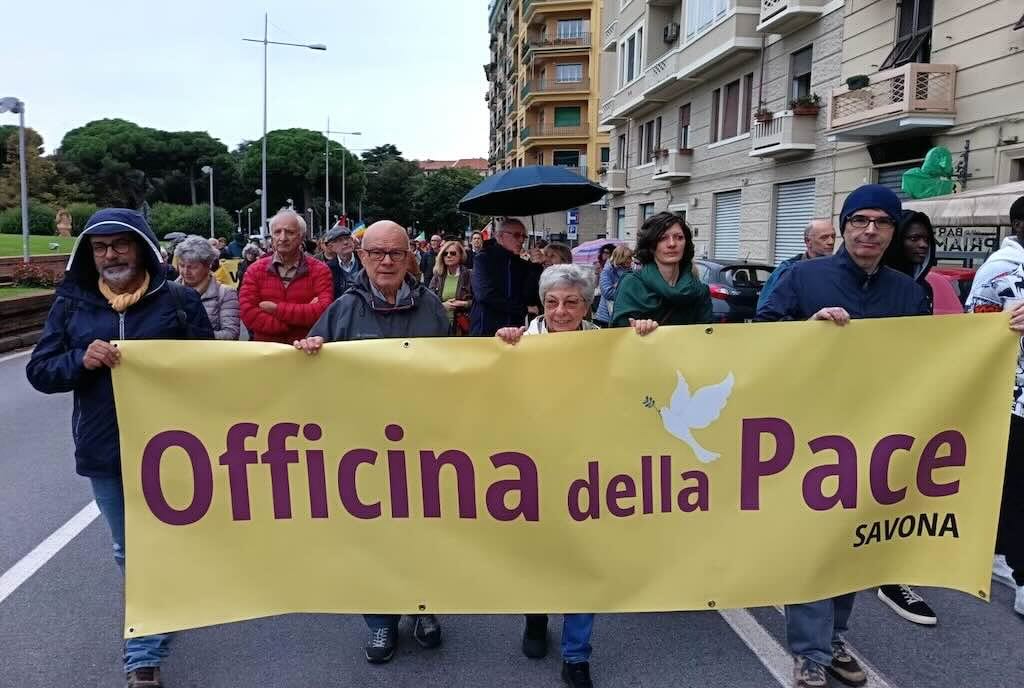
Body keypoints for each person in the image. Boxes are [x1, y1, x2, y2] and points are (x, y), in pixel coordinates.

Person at [26, 208, 213, 688]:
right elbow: (40, 371)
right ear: (89, 254)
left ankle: (159, 617)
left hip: (174, 451)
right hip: (105, 450)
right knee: (131, 549)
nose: (109, 255)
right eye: (99, 247)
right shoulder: (71, 306)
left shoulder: (177, 302)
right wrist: (79, 359)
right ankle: (143, 655)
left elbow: (212, 371)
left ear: (141, 246)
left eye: (119, 245)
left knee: (169, 543)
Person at [757, 184, 931, 688]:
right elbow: (759, 332)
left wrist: (999, 331)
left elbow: (937, 356)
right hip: (808, 438)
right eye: (860, 220)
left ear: (893, 231)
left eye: (881, 222)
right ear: (845, 225)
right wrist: (806, 328)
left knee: (854, 543)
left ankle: (834, 638)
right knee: (813, 545)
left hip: (875, 440)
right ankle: (810, 651)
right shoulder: (804, 276)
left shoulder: (907, 291)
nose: (869, 230)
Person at [496, 263, 658, 688]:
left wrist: (643, 337)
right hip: (530, 469)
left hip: (588, 470)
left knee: (584, 559)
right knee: (536, 554)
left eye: (571, 302)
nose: (561, 311)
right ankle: (536, 617)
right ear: (541, 305)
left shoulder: (608, 343)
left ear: (588, 305)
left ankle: (576, 655)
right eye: (552, 302)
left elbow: (641, 382)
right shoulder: (516, 344)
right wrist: (501, 349)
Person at [293, 221, 448, 663]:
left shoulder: (433, 309)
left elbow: (457, 370)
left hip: (422, 445)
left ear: (408, 258)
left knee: (424, 531)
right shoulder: (343, 310)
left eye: (395, 253)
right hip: (361, 449)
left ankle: (423, 608)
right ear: (361, 256)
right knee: (371, 538)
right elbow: (309, 374)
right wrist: (308, 352)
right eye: (377, 252)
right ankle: (380, 622)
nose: (385, 261)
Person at [966, 194, 1024, 618]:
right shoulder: (1000, 270)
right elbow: (977, 332)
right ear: (1018, 224)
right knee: (1017, 486)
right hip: (1014, 399)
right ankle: (1018, 572)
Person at [238, 209, 333, 344]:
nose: (283, 238)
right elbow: (248, 313)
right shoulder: (254, 270)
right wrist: (292, 325)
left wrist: (276, 310)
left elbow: (323, 311)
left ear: (301, 236)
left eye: (290, 232)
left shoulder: (320, 270)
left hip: (306, 354)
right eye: (277, 232)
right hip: (266, 355)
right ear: (271, 237)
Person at [611, 213, 711, 328]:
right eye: (663, 238)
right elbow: (619, 336)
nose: (672, 244)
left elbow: (704, 338)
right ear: (650, 245)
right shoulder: (631, 284)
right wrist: (637, 329)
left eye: (679, 237)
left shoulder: (699, 291)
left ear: (686, 244)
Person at [470, 218, 542, 336]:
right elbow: (484, 294)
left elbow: (530, 297)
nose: (521, 240)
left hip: (514, 331)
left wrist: (536, 266)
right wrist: (522, 308)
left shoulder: (522, 264)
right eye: (517, 235)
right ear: (500, 236)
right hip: (486, 330)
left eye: (524, 237)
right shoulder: (483, 258)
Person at [757, 220, 837, 310]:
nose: (831, 242)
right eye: (824, 237)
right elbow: (765, 312)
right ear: (808, 241)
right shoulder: (788, 270)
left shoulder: (839, 269)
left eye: (833, 236)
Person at [174, 236, 240, 341]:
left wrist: (195, 335)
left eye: (193, 267)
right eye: (182, 265)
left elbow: (231, 334)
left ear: (208, 266)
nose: (185, 271)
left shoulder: (225, 293)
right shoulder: (170, 290)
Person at [428, 240, 473, 335]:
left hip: (462, 328)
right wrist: (442, 306)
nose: (448, 256)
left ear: (460, 255)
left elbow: (478, 302)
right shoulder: (437, 276)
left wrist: (464, 303)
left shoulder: (470, 275)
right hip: (440, 327)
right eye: (445, 253)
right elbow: (428, 301)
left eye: (453, 253)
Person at [594, 245, 634, 327]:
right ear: (621, 257)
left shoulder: (631, 271)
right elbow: (607, 293)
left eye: (631, 257)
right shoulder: (608, 270)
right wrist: (626, 292)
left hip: (623, 314)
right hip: (606, 317)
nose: (631, 260)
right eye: (628, 257)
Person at [323, 225, 363, 299]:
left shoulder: (365, 261)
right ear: (331, 247)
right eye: (340, 240)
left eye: (347, 238)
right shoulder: (327, 268)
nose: (345, 242)